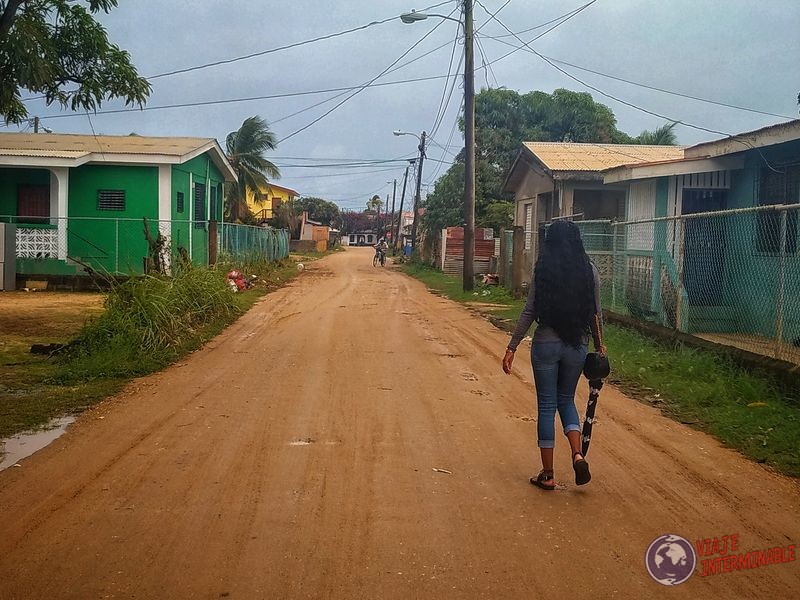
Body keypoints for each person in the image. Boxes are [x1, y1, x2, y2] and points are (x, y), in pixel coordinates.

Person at [502, 220, 605, 491]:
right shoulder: (589, 271)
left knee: (547, 406)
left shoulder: (543, 270)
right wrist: (600, 345)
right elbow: (596, 313)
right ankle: (577, 454)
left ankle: (547, 475)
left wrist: (512, 346)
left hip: (546, 343)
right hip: (576, 345)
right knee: (566, 401)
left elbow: (529, 311)